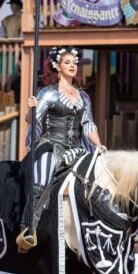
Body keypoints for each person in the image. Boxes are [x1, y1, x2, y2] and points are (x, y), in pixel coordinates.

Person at [17, 46, 105, 251]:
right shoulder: (48, 94)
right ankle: (29, 228)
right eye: (68, 63)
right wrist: (30, 107)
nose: (73, 66)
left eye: (75, 63)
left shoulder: (83, 97)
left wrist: (99, 145)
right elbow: (32, 119)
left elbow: (88, 124)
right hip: (51, 145)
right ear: (58, 67)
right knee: (42, 176)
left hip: (76, 148)